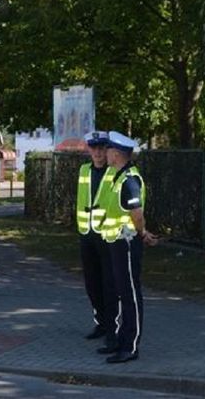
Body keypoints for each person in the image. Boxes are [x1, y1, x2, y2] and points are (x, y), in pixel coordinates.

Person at [101, 131, 157, 364]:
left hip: (126, 243)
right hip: (117, 243)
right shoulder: (117, 176)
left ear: (116, 154)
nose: (104, 154)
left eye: (107, 150)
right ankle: (121, 341)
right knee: (123, 293)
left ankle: (130, 346)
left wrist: (142, 233)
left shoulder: (129, 181)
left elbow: (137, 213)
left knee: (130, 295)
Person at [76, 131, 118, 350]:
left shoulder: (114, 172)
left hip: (107, 234)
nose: (99, 153)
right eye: (95, 148)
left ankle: (113, 327)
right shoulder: (84, 171)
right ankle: (100, 322)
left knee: (109, 284)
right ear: (89, 150)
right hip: (87, 233)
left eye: (102, 148)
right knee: (92, 283)